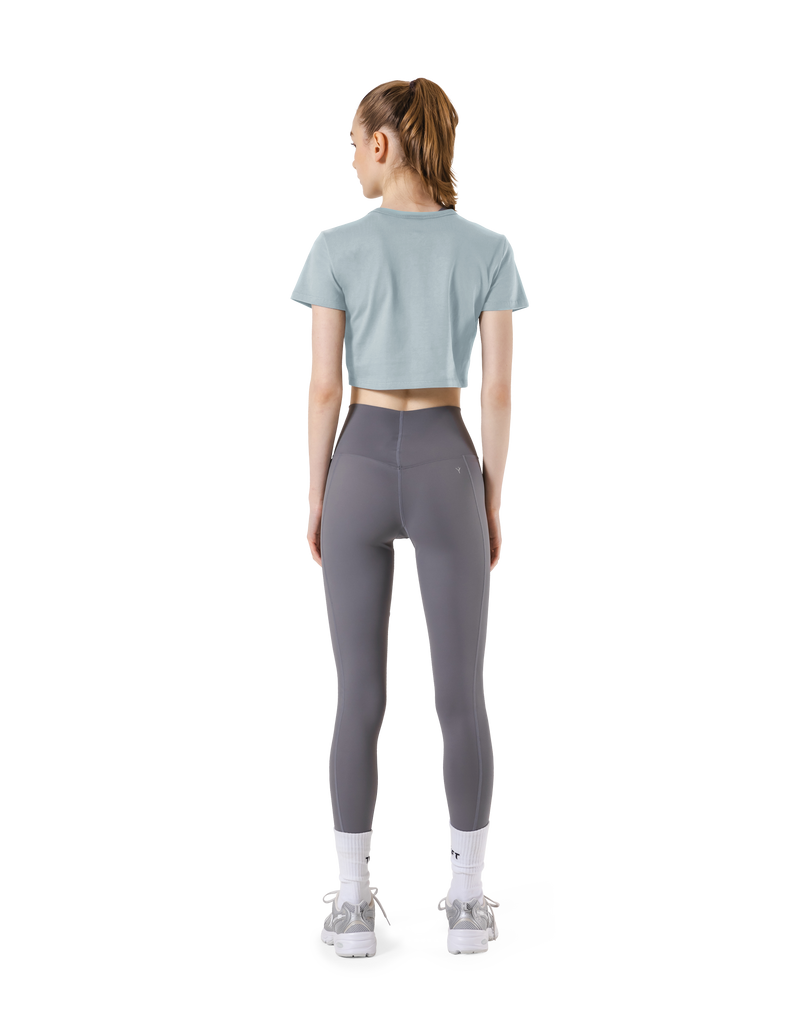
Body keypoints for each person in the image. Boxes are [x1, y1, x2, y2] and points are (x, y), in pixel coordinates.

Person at [287, 74, 531, 958]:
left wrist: (317, 493)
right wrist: (489, 494)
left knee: (357, 695)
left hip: (358, 457)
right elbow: (496, 388)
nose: (351, 160)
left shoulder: (334, 245)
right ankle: (465, 903)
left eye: (355, 144)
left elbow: (323, 388)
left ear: (384, 145)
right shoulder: (490, 247)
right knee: (461, 692)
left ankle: (354, 907)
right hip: (444, 458)